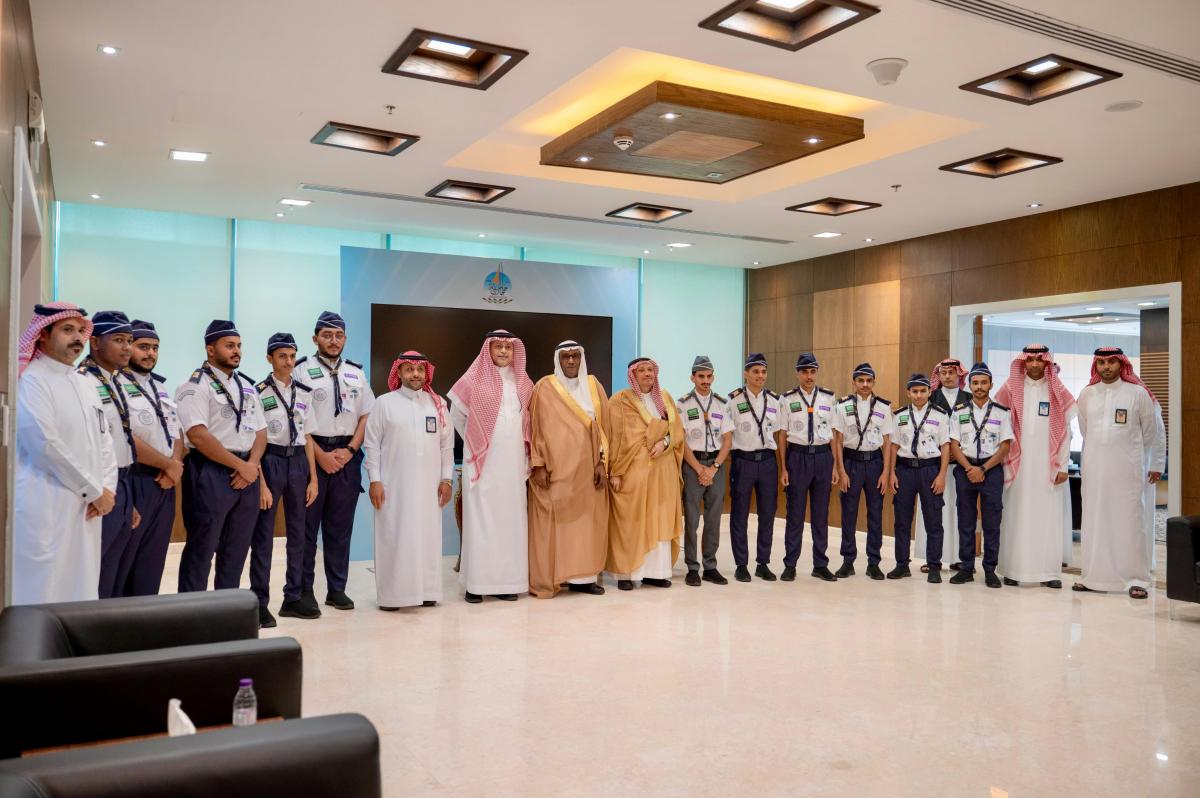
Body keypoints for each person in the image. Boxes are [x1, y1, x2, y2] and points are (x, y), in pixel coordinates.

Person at [13, 303, 116, 605]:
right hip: (47, 502)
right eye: (67, 330)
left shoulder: (86, 384)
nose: (77, 338)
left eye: (81, 331)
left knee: (82, 584)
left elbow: (105, 441)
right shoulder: (32, 380)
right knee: (43, 586)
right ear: (43, 335)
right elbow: (44, 445)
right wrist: (93, 490)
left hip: (90, 506)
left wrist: (107, 488)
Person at [175, 320, 267, 593]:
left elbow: (261, 432)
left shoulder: (247, 387)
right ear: (210, 349)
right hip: (210, 472)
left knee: (236, 550)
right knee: (202, 550)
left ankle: (226, 611)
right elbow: (198, 435)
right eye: (229, 345)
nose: (236, 351)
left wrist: (251, 465)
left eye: (238, 345)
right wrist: (241, 466)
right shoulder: (194, 386)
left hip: (246, 472)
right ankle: (192, 613)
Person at [294, 311, 374, 612]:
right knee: (306, 529)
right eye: (327, 335)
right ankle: (304, 591)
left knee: (340, 529)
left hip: (346, 457)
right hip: (312, 455)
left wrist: (351, 450)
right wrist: (321, 456)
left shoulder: (356, 372)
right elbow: (297, 419)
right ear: (315, 338)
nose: (333, 340)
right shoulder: (301, 371)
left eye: (339, 335)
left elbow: (366, 414)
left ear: (345, 339)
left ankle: (336, 589)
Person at [1074, 347, 1166, 599]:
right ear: (1096, 365)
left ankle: (1136, 579)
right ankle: (1093, 576)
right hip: (1095, 469)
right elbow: (1085, 430)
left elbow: (1151, 432)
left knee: (1129, 522)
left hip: (1127, 470)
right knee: (1095, 521)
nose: (1106, 367)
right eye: (1101, 362)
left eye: (1112, 362)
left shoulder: (1138, 394)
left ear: (1122, 364)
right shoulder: (1087, 394)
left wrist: (1149, 461)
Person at [365, 351, 454, 609]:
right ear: (399, 372)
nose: (415, 374)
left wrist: (447, 479)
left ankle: (427, 592)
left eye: (420, 369)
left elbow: (446, 446)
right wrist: (374, 480)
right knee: (394, 536)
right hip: (394, 487)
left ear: (426, 373)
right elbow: (371, 445)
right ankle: (393, 596)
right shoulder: (384, 403)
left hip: (429, 488)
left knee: (427, 537)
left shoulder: (438, 404)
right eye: (409, 369)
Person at [450, 330, 533, 603]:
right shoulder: (473, 379)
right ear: (489, 350)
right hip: (483, 465)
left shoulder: (523, 383)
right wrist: (477, 443)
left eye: (508, 348)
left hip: (512, 464)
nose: (504, 352)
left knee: (511, 522)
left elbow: (529, 421)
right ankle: (476, 585)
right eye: (498, 347)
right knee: (481, 522)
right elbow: (457, 414)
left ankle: (507, 583)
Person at [76, 310, 153, 598]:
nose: (127, 348)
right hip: (99, 487)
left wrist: (127, 500)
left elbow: (120, 441)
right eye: (119, 340)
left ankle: (109, 625)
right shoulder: (83, 382)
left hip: (123, 483)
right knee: (95, 572)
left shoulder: (117, 381)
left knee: (116, 571)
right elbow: (84, 446)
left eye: (129, 341)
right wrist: (103, 490)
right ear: (95, 342)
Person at [528, 341, 611, 598]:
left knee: (586, 525)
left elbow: (605, 428)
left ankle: (585, 579)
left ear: (581, 358)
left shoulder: (594, 386)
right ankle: (558, 577)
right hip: (556, 470)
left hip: (588, 470)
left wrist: (602, 463)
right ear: (558, 360)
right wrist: (538, 464)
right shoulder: (544, 387)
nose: (571, 361)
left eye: (575, 356)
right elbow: (535, 428)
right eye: (566, 357)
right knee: (559, 525)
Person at [251, 333, 319, 628]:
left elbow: (308, 436)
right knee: (264, 536)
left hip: (299, 462)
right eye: (282, 356)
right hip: (271, 461)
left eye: (292, 356)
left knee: (298, 533)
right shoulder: (258, 393)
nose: (289, 362)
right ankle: (259, 602)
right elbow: (255, 440)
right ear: (270, 358)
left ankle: (293, 597)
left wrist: (313, 479)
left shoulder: (304, 392)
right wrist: (261, 483)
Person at [995, 344, 1077, 589]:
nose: (1034, 364)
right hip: (1017, 466)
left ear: (1046, 363)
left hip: (1047, 467)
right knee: (1015, 516)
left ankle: (1048, 572)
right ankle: (1012, 569)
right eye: (1029, 360)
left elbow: (1066, 432)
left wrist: (1063, 465)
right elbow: (996, 422)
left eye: (1039, 360)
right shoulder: (1010, 388)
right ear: (1023, 362)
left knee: (1047, 517)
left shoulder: (1057, 390)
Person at [606, 357, 684, 590]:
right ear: (633, 374)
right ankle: (627, 574)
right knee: (631, 519)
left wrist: (664, 442)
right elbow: (614, 437)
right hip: (632, 470)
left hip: (663, 468)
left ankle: (656, 573)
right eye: (642, 370)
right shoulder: (620, 400)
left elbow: (676, 430)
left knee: (659, 516)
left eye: (651, 370)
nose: (648, 374)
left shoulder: (666, 399)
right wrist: (615, 472)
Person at [122, 319, 185, 596]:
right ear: (128, 348)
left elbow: (176, 430)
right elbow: (123, 436)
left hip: (164, 483)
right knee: (125, 561)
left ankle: (145, 618)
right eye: (143, 347)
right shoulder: (115, 384)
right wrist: (168, 464)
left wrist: (175, 465)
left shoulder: (159, 387)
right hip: (133, 480)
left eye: (155, 348)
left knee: (152, 562)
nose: (150, 353)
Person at [948, 362, 1013, 588]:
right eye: (975, 383)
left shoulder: (1002, 413)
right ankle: (966, 568)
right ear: (970, 385)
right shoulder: (959, 411)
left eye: (983, 383)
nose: (979, 387)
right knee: (965, 521)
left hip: (991, 471)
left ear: (991, 385)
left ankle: (990, 570)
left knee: (992, 522)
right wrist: (969, 469)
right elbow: (954, 444)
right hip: (965, 470)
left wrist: (983, 469)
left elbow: (1005, 446)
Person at [779, 352, 839, 582]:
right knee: (795, 514)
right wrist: (784, 468)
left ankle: (820, 564)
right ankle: (790, 564)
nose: (809, 376)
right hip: (798, 458)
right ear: (798, 373)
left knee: (820, 514)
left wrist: (834, 465)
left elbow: (833, 434)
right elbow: (782, 435)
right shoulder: (787, 399)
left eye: (813, 371)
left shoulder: (828, 398)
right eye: (805, 372)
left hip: (823, 458)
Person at [831, 363, 893, 580]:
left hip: (875, 463)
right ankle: (848, 561)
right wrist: (841, 470)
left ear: (874, 382)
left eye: (869, 380)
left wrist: (886, 472)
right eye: (861, 380)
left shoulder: (884, 407)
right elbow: (837, 440)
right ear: (854, 382)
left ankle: (873, 562)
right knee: (848, 514)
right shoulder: (842, 406)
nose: (865, 384)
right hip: (851, 463)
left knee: (875, 514)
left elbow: (887, 442)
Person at [724, 353, 783, 582]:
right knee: (739, 514)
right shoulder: (733, 401)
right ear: (746, 374)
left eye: (763, 372)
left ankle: (763, 563)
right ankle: (741, 564)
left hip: (768, 461)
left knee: (767, 514)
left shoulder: (775, 401)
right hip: (743, 461)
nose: (760, 376)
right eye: (756, 371)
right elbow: (727, 435)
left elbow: (778, 433)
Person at [887, 373, 951, 582]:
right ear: (908, 393)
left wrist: (942, 475)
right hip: (904, 471)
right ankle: (901, 564)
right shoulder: (899, 415)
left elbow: (945, 446)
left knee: (934, 521)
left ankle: (934, 566)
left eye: (923, 391)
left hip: (930, 470)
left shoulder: (940, 415)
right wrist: (892, 473)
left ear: (930, 392)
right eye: (915, 391)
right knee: (902, 520)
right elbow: (894, 445)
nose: (919, 395)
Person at [676, 355, 731, 586]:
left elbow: (727, 440)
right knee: (691, 519)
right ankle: (692, 567)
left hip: (716, 466)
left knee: (713, 519)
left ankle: (710, 566)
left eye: (709, 376)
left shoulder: (721, 403)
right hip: (693, 466)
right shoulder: (683, 404)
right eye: (701, 376)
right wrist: (700, 469)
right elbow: (682, 442)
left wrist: (714, 468)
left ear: (713, 377)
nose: (705, 380)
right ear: (693, 377)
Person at [918, 358, 970, 572]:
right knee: (932, 512)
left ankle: (959, 557)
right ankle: (932, 559)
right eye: (943, 373)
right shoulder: (930, 398)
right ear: (938, 376)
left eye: (951, 372)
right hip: (933, 465)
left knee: (960, 512)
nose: (947, 376)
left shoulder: (969, 398)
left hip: (961, 465)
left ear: (959, 374)